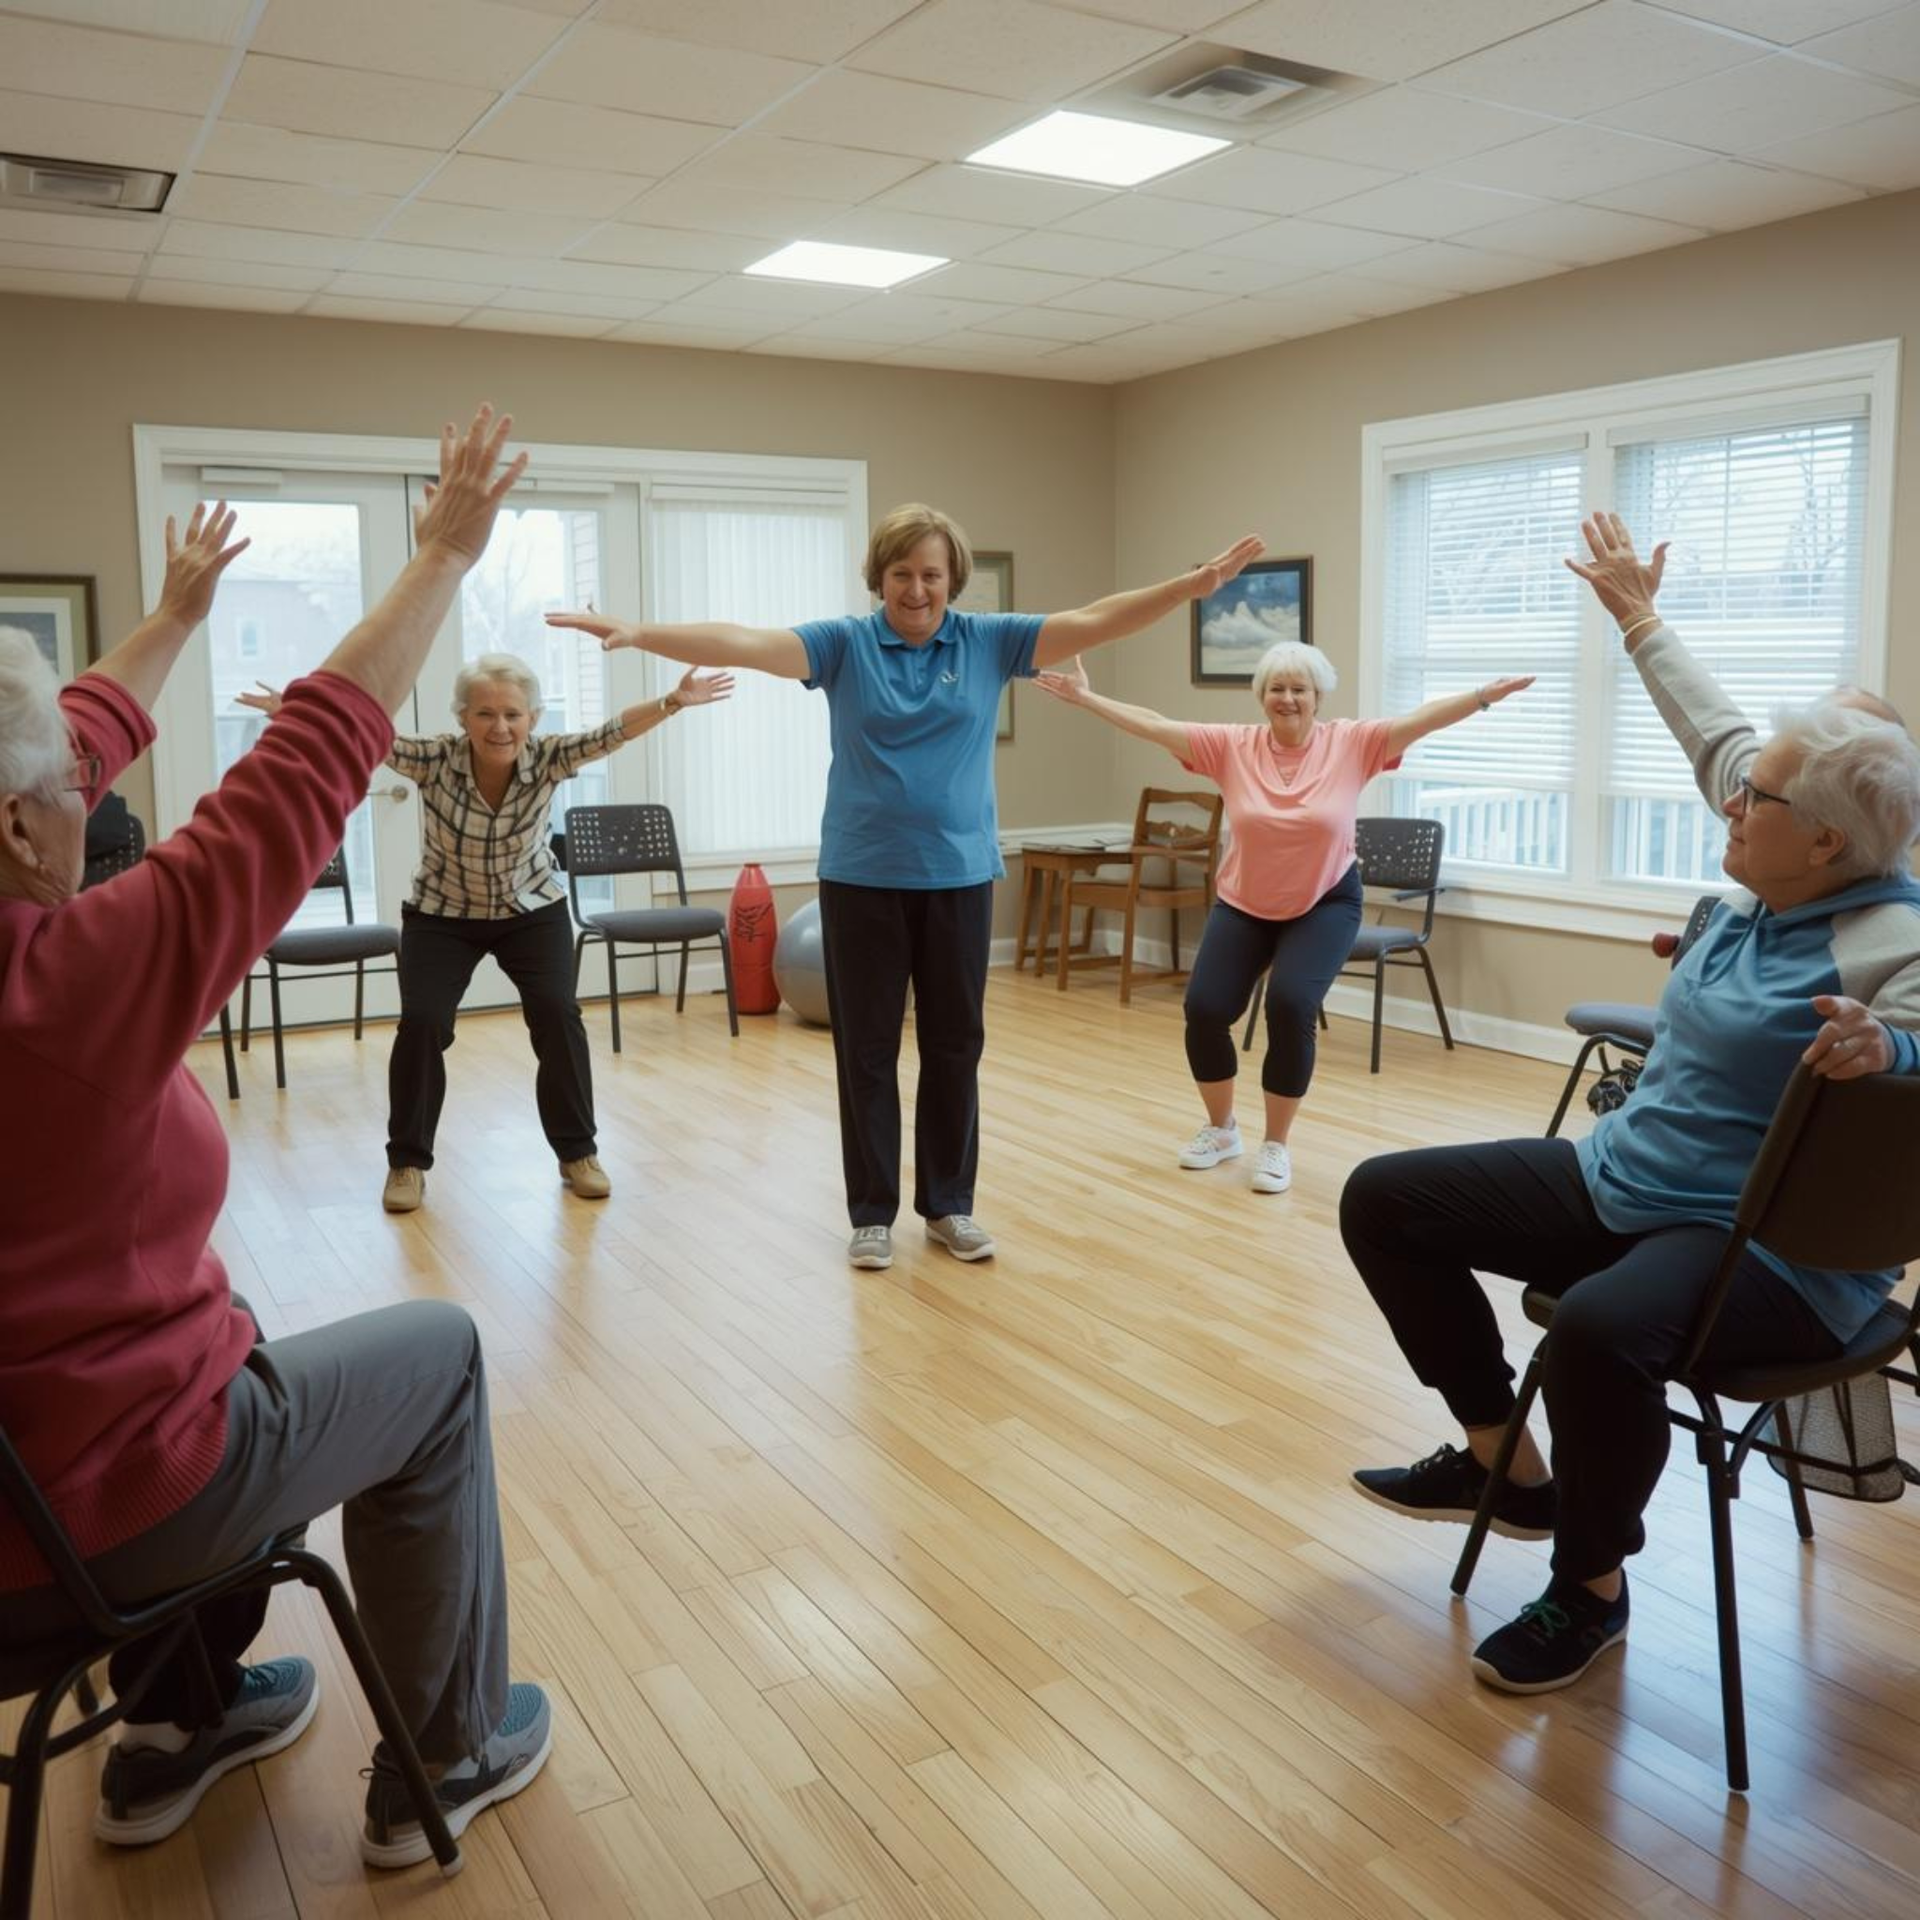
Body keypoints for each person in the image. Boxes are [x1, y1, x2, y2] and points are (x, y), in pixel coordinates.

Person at [0, 408, 557, 1866]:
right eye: (69, 793)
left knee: (214, 1323)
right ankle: (447, 1754)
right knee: (433, 1358)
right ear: (14, 828)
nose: (89, 800)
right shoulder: (61, 989)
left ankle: (174, 1726)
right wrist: (440, 559)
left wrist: (175, 622)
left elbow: (67, 742)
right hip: (89, 1520)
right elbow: (296, 776)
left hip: (17, 1505)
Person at [1343, 511, 1920, 1694]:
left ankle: (1589, 1589)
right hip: (1628, 1180)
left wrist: (1894, 1047)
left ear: (1824, 839)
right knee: (1384, 1201)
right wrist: (1639, 618)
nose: (1727, 800)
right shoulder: (1778, 853)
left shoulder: (1890, 935)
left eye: (1750, 797)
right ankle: (1508, 1466)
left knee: (1600, 1331)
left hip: (1766, 1246)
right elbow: (1716, 731)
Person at [548, 509, 1265, 1269]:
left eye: (931, 574)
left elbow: (1096, 620)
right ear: (878, 578)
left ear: (952, 579)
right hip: (861, 876)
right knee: (866, 1049)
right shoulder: (844, 645)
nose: (916, 590)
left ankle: (950, 1206)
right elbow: (744, 642)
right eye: (901, 574)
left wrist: (1189, 588)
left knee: (954, 1046)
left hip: (958, 875)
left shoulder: (990, 641)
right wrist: (639, 632)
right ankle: (871, 1213)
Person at [241, 652, 733, 1213]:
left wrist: (672, 702)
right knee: (423, 1023)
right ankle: (407, 1162)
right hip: (443, 915)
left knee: (557, 1015)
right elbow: (365, 738)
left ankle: (578, 1152)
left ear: (532, 719)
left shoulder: (549, 757)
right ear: (463, 718)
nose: (500, 727)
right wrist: (295, 710)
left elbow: (610, 733)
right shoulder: (434, 759)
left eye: (513, 714)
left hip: (531, 910)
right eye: (485, 713)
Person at [1035, 645, 1532, 1192]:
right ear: (1262, 696)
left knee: (1290, 1003)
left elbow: (1421, 720)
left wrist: (1482, 696)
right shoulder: (1232, 746)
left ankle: (1275, 1144)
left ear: (1318, 697)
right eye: (1277, 688)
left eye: (1300, 689)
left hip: (1325, 902)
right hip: (1245, 902)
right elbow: (1154, 725)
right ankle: (1222, 1129)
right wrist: (1087, 699)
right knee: (1205, 1009)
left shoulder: (1353, 744)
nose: (1288, 698)